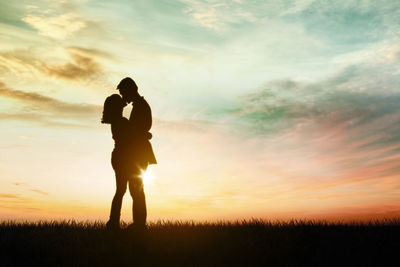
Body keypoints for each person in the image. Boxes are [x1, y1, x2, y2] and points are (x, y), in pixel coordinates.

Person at [101, 78, 156, 230]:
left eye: (123, 92)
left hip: (134, 156)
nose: (123, 97)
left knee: (132, 190)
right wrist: (146, 135)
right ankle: (136, 224)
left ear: (130, 90)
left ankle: (133, 224)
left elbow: (137, 131)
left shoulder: (140, 107)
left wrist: (144, 135)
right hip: (129, 156)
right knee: (133, 190)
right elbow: (135, 132)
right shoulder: (124, 118)